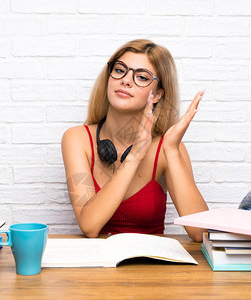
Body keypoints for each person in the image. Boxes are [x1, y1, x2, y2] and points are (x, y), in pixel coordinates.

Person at [61, 39, 208, 242]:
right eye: (120, 70)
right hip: (95, 269)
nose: (126, 80)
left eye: (141, 76)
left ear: (156, 94)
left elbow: (200, 233)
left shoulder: (168, 148)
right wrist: (134, 156)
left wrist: (172, 149)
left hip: (151, 269)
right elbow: (89, 226)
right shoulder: (76, 139)